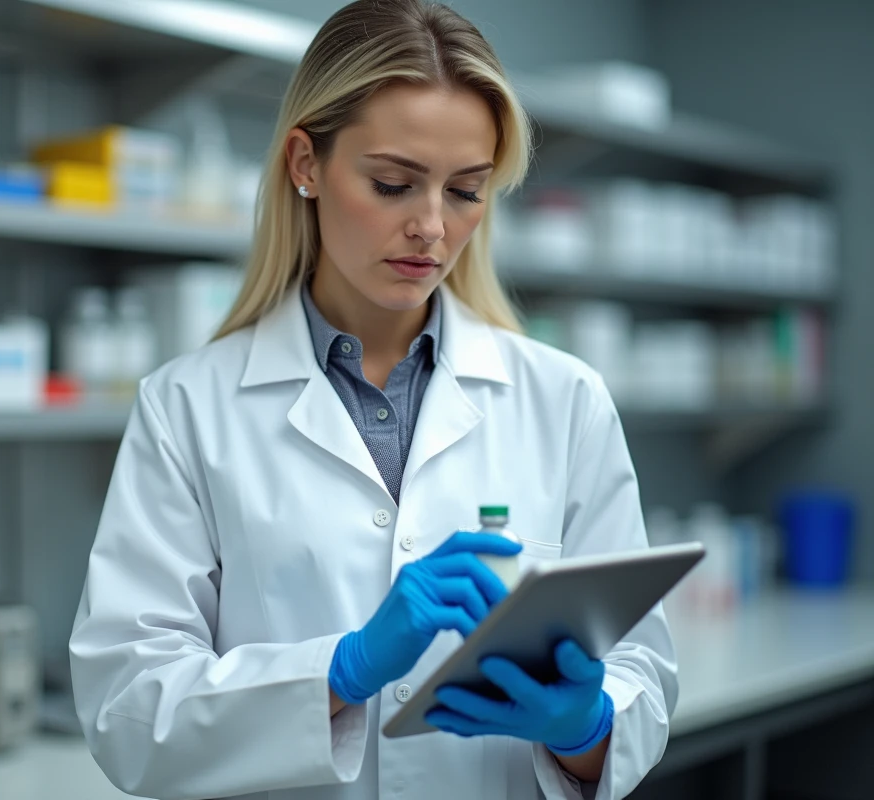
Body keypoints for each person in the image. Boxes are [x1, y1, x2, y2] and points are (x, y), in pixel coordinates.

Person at [69, 1, 676, 797]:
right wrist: (343, 668)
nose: (431, 226)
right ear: (305, 164)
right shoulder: (186, 408)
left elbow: (644, 676)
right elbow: (126, 708)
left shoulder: (565, 402)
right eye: (393, 183)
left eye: (466, 191)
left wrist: (590, 727)